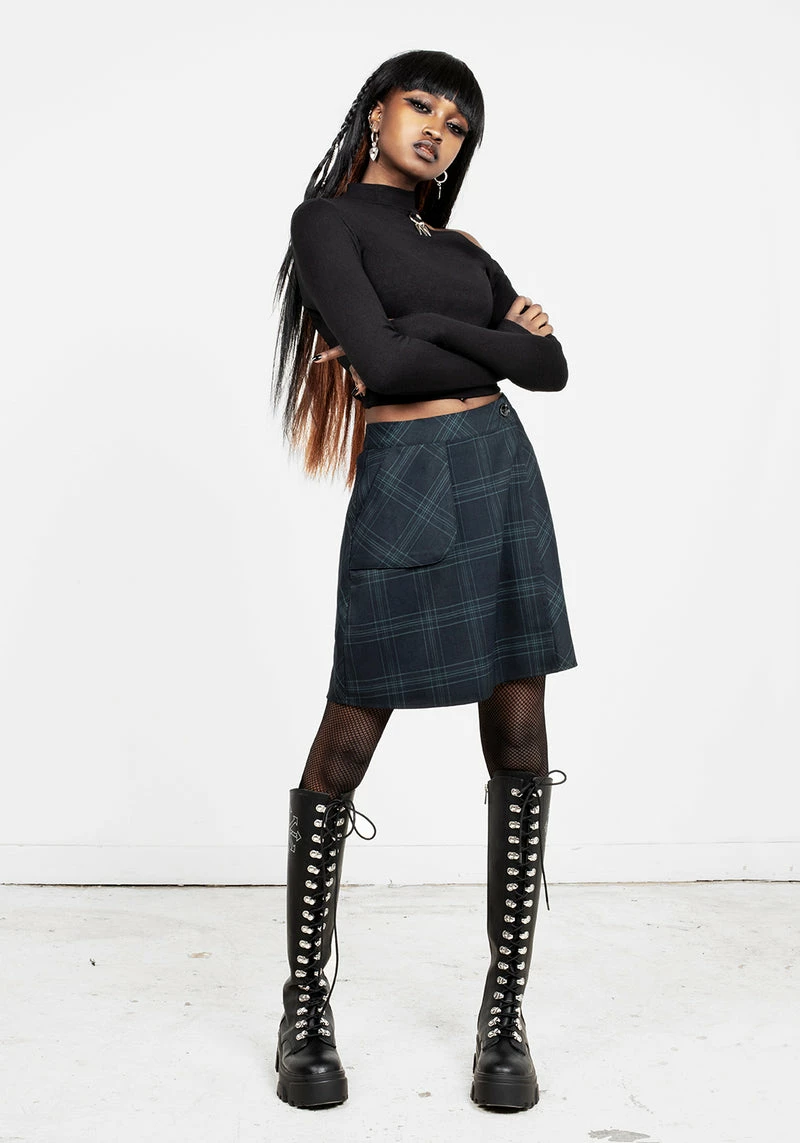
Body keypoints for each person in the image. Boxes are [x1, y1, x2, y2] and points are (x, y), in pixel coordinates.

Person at [270, 48, 578, 1113]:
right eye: (422, 105)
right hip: (406, 478)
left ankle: (505, 1010)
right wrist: (486, 343)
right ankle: (304, 1002)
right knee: (348, 733)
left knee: (521, 732)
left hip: (499, 472)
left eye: (457, 124)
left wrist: (440, 331)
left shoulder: (462, 253)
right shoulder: (326, 225)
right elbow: (385, 368)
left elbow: (550, 369)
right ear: (375, 112)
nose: (438, 129)